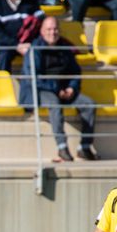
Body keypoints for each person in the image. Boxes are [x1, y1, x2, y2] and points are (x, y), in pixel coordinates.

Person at [20, 12, 96, 162]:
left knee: (89, 104)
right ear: (42, 31)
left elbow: (75, 72)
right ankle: (62, 147)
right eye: (48, 29)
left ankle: (84, 147)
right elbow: (33, 78)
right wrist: (57, 89)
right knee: (54, 105)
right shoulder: (35, 49)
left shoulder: (65, 47)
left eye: (55, 29)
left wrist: (72, 88)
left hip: (64, 91)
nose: (52, 32)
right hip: (41, 90)